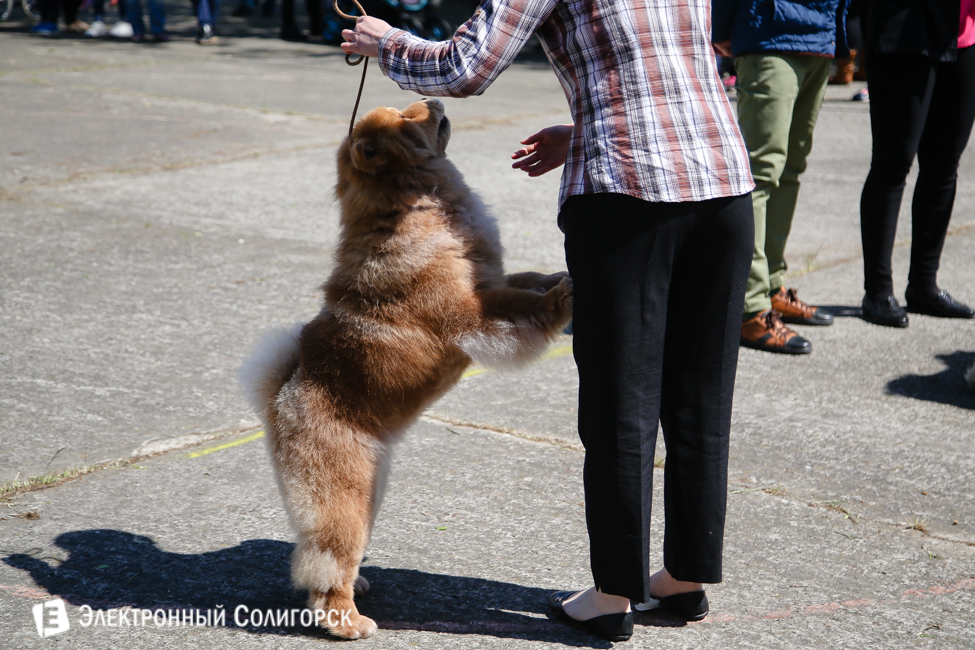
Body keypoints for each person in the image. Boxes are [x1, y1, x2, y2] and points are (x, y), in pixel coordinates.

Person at [341, 0, 755, 641]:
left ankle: (614, 593)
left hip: (628, 194)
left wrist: (383, 41)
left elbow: (467, 67)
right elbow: (674, 60)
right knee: (700, 392)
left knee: (622, 402)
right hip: (722, 182)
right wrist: (586, 126)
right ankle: (684, 576)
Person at [712, 0, 849, 355]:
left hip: (819, 36)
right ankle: (750, 306)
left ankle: (772, 286)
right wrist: (721, 26)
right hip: (769, 29)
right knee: (759, 174)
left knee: (790, 170)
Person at [858, 0, 975, 327]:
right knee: (893, 164)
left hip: (964, 33)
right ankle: (878, 292)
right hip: (905, 29)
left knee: (944, 164)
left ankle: (924, 285)